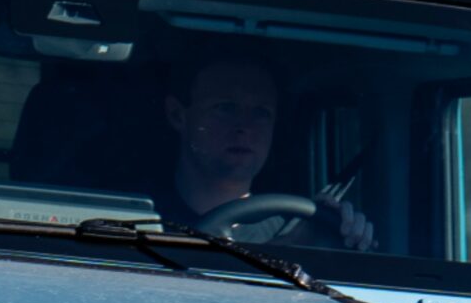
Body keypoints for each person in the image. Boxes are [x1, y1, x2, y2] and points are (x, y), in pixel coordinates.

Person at [157, 55, 376, 250]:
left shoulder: (301, 233)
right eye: (226, 108)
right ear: (178, 115)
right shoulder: (136, 223)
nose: (245, 127)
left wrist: (346, 237)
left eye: (261, 113)